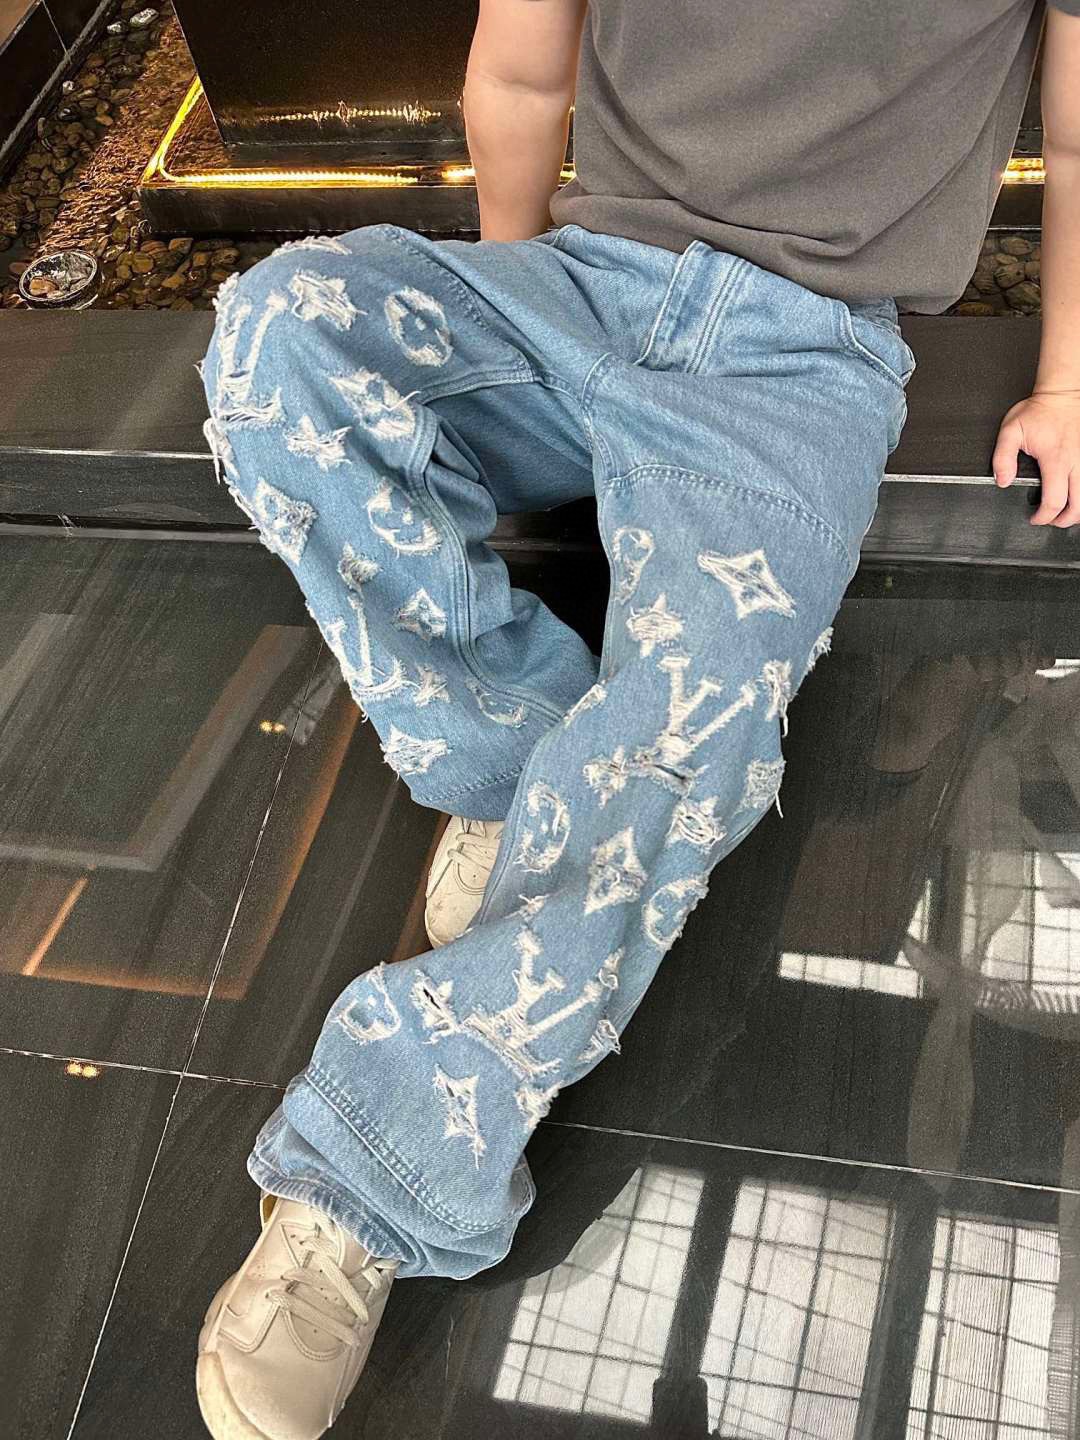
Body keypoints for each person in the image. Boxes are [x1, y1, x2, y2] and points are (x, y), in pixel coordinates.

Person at [193, 1, 1080, 1435]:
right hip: (589, 278)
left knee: (692, 733)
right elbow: (521, 65)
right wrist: (514, 301)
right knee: (277, 336)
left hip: (802, 363)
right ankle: (518, 769)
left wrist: (1069, 375)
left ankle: (370, 1179)